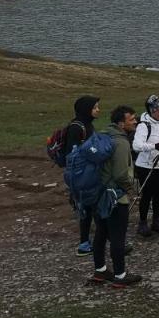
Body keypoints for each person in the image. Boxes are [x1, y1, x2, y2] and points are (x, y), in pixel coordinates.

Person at [90, 105, 141, 288]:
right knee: (118, 237)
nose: (135, 121)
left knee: (101, 233)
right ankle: (120, 276)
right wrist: (132, 189)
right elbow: (121, 174)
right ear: (121, 123)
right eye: (132, 119)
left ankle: (100, 271)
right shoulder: (121, 142)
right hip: (115, 197)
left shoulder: (103, 135)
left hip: (98, 194)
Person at [132, 95, 159, 238]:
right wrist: (156, 146)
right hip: (146, 166)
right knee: (146, 195)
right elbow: (137, 146)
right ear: (152, 111)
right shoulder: (144, 125)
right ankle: (142, 223)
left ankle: (156, 221)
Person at [64, 95, 100, 256]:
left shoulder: (88, 125)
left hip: (90, 172)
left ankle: (87, 242)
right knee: (90, 207)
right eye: (95, 107)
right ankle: (86, 243)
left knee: (91, 207)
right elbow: (72, 154)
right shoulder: (77, 128)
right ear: (86, 110)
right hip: (82, 175)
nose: (98, 110)